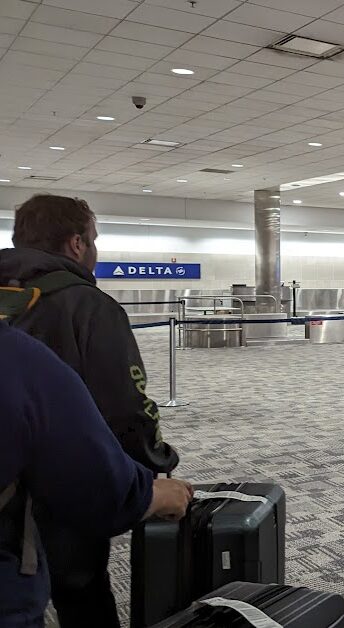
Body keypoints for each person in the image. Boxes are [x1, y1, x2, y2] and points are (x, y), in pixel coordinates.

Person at [0, 194, 181, 628]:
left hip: (9, 493)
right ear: (77, 244)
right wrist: (153, 469)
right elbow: (126, 405)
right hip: (68, 478)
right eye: (94, 239)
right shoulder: (87, 305)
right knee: (80, 588)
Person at [1, 321, 193, 628]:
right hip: (12, 583)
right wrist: (151, 490)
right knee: (83, 592)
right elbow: (96, 478)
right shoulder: (19, 357)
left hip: (37, 516)